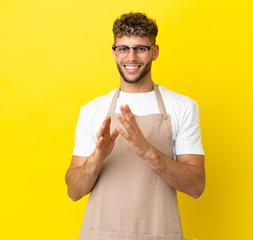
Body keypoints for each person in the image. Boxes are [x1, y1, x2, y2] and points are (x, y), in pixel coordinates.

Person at [65, 12, 205, 240]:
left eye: (141, 48)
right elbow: (73, 191)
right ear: (114, 52)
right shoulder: (92, 110)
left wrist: (148, 152)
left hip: (159, 234)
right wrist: (96, 158)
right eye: (123, 48)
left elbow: (196, 186)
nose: (131, 57)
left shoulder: (182, 107)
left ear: (155, 52)